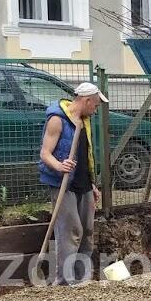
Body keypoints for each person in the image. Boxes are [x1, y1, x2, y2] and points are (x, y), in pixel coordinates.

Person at [39, 81, 106, 284]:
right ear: (86, 101)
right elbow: (45, 154)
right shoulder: (57, 120)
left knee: (87, 231)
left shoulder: (84, 121)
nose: (95, 110)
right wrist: (59, 166)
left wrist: (91, 184)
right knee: (70, 232)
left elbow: (85, 156)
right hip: (63, 184)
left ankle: (82, 278)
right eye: (95, 105)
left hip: (83, 184)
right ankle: (65, 281)